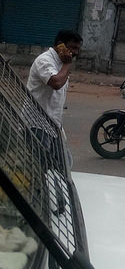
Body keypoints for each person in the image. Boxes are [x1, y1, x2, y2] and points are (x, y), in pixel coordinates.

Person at [27, 29, 83, 167]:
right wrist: (67, 64)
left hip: (53, 124)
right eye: (72, 48)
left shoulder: (61, 62)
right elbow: (56, 83)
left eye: (77, 49)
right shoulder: (44, 60)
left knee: (65, 164)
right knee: (39, 166)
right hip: (37, 123)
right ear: (60, 45)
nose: (75, 52)